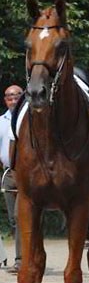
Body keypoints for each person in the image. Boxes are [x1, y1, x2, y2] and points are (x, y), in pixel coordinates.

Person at [0, 84, 23, 273]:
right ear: (5, 100)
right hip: (8, 175)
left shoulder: (31, 119)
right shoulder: (0, 122)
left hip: (27, 176)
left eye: (17, 96)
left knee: (20, 215)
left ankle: (21, 260)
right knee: (13, 219)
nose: (13, 100)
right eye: (9, 97)